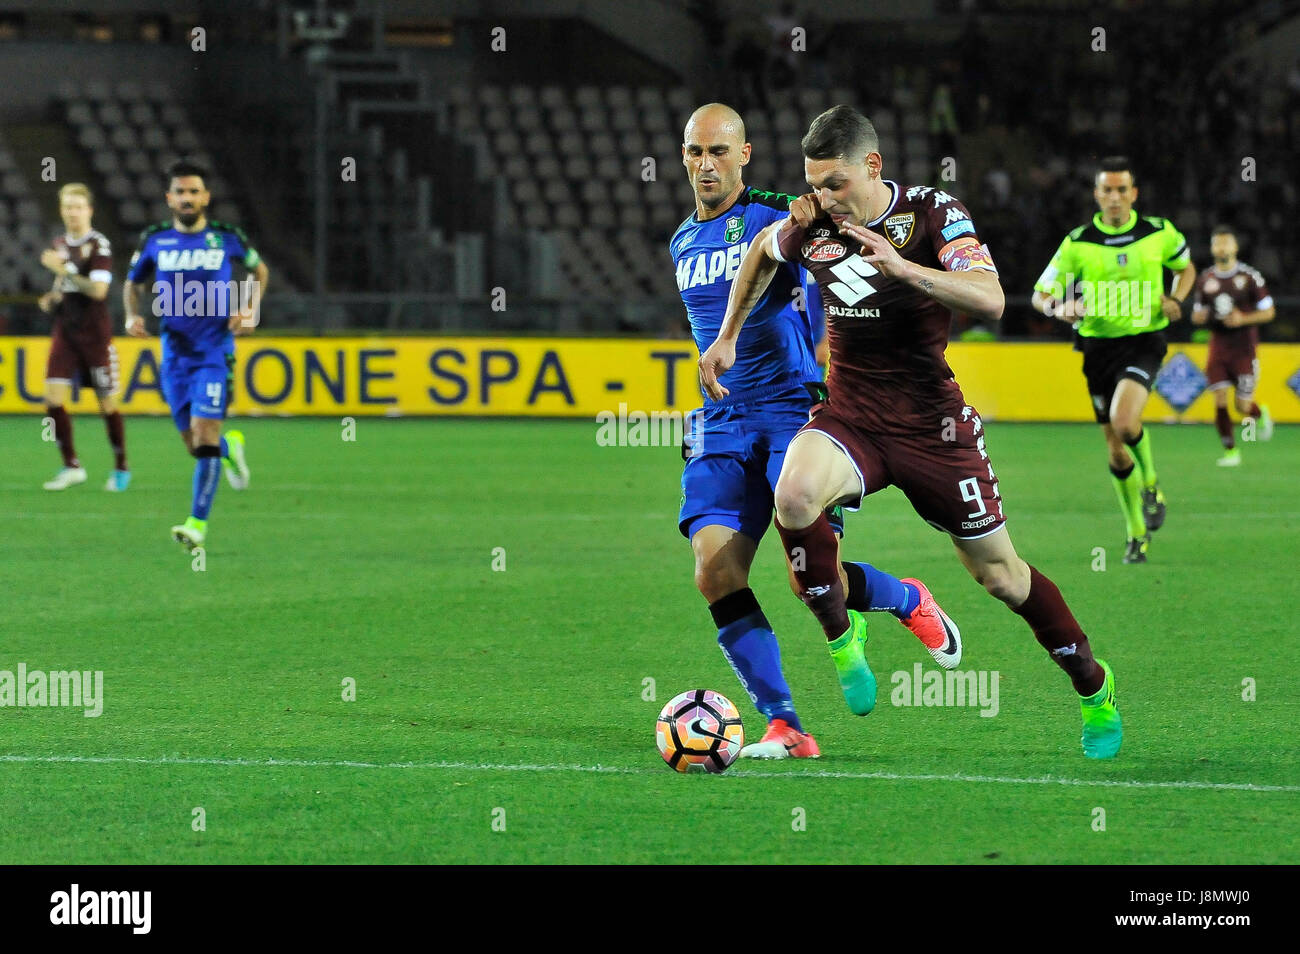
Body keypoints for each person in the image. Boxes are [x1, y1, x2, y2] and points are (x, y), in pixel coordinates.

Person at [699, 105, 1122, 759]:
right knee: (794, 495)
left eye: (835, 183)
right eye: (814, 183)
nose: (823, 199)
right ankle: (845, 639)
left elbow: (990, 298)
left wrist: (903, 269)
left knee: (1003, 578)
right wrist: (727, 336)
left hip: (934, 428)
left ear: (872, 166)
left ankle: (1094, 689)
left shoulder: (931, 213)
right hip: (853, 415)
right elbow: (758, 253)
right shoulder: (812, 220)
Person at [673, 104, 961, 759]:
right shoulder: (682, 241)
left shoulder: (786, 212)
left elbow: (854, 234)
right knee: (715, 572)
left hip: (792, 414)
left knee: (810, 576)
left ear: (744, 155)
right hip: (722, 421)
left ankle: (905, 596)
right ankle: (785, 725)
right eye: (695, 152)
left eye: (719, 151)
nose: (706, 164)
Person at [1031, 156, 1196, 564]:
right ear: (1097, 194)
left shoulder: (1158, 232)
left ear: (1133, 193)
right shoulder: (1079, 242)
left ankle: (1152, 484)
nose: (1115, 197)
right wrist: (1059, 309)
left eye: (1123, 189)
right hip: (1097, 350)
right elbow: (1042, 294)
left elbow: (1186, 268)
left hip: (1144, 340)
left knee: (1125, 423)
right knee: (1116, 450)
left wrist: (1176, 299)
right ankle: (1136, 533)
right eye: (1107, 190)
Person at [123, 159, 266, 550]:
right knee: (195, 445)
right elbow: (131, 283)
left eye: (194, 191)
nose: (187, 198)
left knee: (204, 437)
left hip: (214, 352)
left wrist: (250, 307)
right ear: (170, 198)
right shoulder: (154, 240)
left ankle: (196, 525)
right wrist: (131, 316)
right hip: (174, 355)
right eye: (180, 192)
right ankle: (230, 449)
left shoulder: (226, 237)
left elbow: (260, 271)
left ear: (206, 196)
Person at [37, 183, 129, 492]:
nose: (72, 212)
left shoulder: (99, 246)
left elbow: (98, 291)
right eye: (67, 207)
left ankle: (120, 467)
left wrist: (64, 270)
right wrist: (51, 298)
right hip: (66, 330)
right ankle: (71, 465)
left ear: (89, 210)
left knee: (106, 404)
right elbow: (63, 284)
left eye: (78, 207)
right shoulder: (60, 242)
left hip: (94, 335)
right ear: (62, 210)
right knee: (52, 399)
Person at [1191, 225, 1274, 466]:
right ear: (1212, 248)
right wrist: (1199, 319)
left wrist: (1243, 319)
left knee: (1242, 405)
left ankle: (1259, 414)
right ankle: (1230, 452)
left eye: (1226, 243)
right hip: (1218, 346)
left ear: (1235, 247)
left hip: (1244, 349)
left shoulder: (1250, 277)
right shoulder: (1205, 279)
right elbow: (1199, 313)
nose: (1222, 247)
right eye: (1217, 243)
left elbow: (1269, 312)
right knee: (1219, 399)